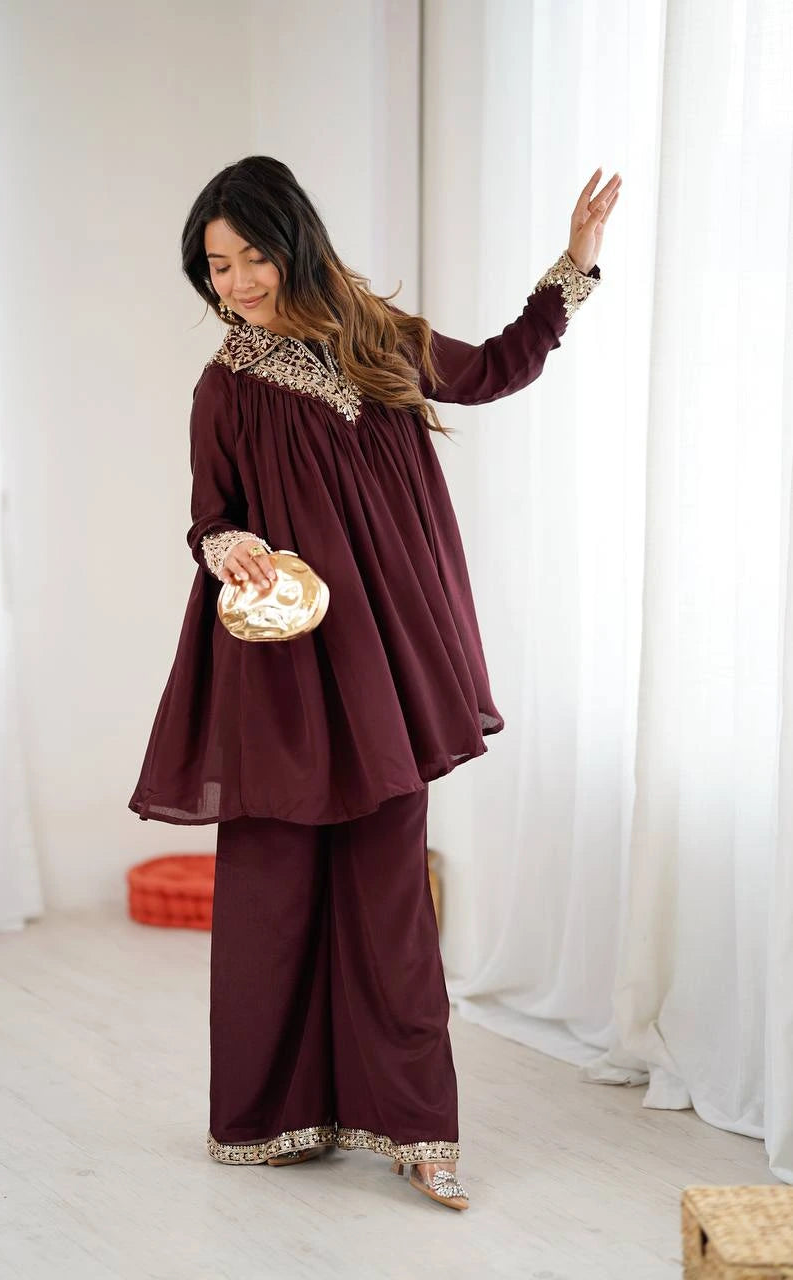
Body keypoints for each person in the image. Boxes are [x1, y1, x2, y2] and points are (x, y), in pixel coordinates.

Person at [129, 155, 620, 1211]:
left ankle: (414, 1127)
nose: (238, 282)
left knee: (391, 889)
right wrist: (231, 548)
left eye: (252, 255)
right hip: (281, 667)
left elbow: (490, 369)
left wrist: (570, 272)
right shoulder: (224, 385)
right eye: (217, 266)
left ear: (293, 241)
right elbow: (208, 513)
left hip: (383, 660)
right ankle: (266, 1113)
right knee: (270, 883)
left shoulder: (374, 339)